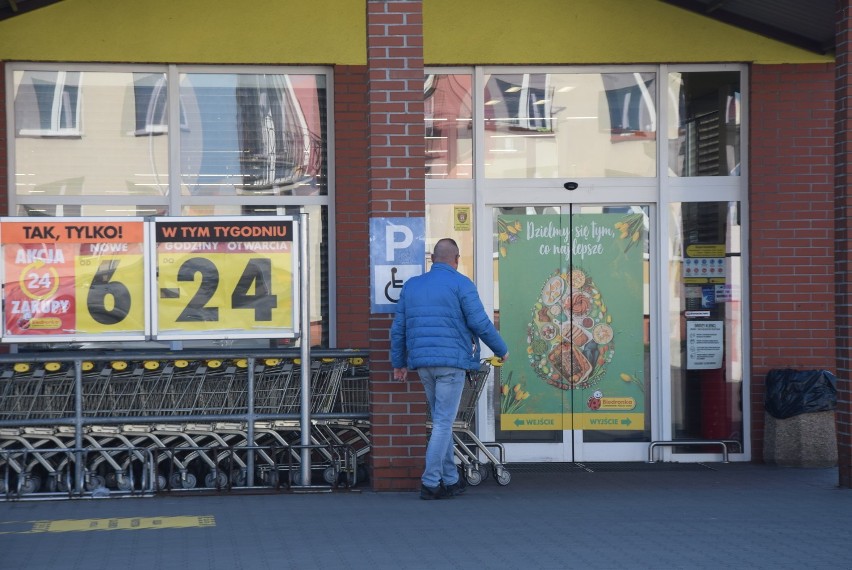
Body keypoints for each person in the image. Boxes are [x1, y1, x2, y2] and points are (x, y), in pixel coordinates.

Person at [390, 238, 508, 500]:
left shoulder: (412, 286)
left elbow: (398, 329)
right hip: (451, 363)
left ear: (433, 258)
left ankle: (451, 479)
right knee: (444, 423)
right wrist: (501, 349)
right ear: (456, 258)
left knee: (439, 423)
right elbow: (480, 323)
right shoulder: (461, 284)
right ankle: (430, 482)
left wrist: (399, 362)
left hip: (423, 364)